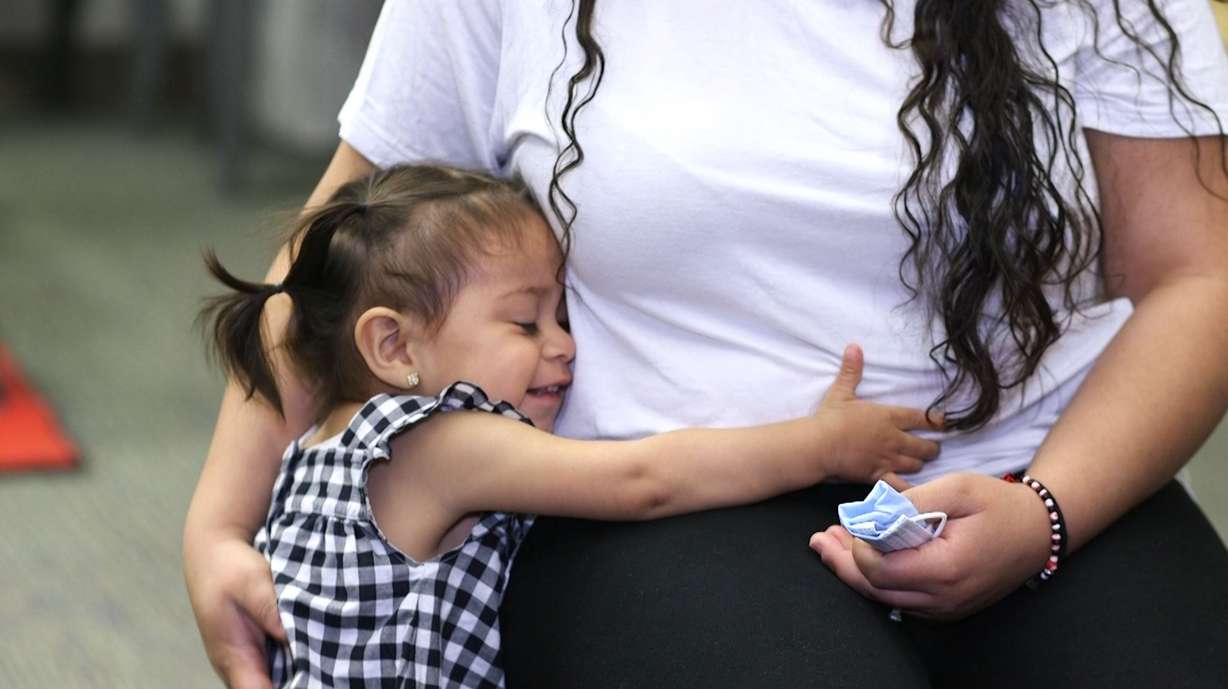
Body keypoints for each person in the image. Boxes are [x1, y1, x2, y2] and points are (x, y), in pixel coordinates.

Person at [183, 1, 1228, 687]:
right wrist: (220, 524)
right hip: (656, 503)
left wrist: (1045, 512)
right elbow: (339, 248)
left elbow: (1199, 272)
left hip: (1040, 480)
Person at [197, 163, 941, 688]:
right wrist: (821, 446)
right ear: (394, 347)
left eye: (561, 314)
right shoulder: (438, 440)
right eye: (525, 320)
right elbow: (644, 478)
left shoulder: (318, 445)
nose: (563, 344)